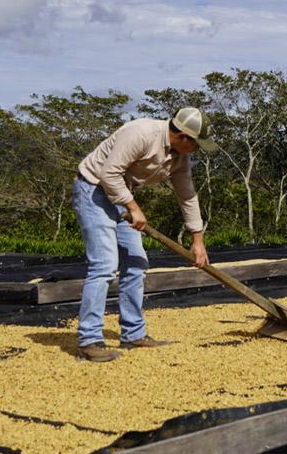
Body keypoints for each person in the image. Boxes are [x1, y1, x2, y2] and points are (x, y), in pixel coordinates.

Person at [72, 106, 218, 362]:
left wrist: (198, 239)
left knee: (137, 264)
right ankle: (89, 340)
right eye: (196, 145)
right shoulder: (140, 132)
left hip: (121, 196)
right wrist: (133, 207)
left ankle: (133, 333)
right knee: (105, 266)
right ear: (183, 137)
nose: (196, 151)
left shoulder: (180, 159)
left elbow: (187, 196)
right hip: (93, 190)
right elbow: (109, 173)